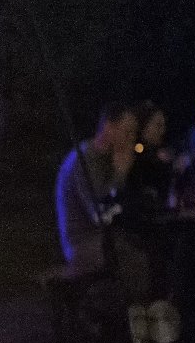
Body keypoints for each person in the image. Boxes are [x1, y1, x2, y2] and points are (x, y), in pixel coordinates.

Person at [53, 102, 139, 274]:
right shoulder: (86, 161)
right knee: (130, 256)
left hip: (101, 237)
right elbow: (101, 214)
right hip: (82, 242)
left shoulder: (107, 158)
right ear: (108, 127)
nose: (131, 140)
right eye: (127, 132)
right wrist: (120, 174)